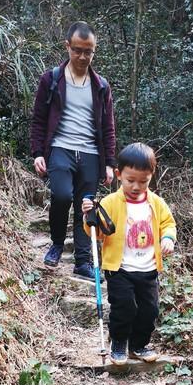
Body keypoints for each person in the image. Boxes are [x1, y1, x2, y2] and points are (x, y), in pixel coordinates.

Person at [30, 21, 116, 281]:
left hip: (91, 153)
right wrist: (37, 153)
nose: (82, 56)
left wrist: (110, 163)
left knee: (86, 206)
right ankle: (56, 244)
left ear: (94, 50)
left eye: (88, 51)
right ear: (67, 46)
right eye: (77, 50)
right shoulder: (52, 79)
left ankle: (82, 261)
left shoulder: (101, 86)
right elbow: (39, 119)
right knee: (62, 194)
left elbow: (108, 126)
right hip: (60, 148)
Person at [82, 143, 176, 365]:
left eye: (143, 181)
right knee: (124, 307)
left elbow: (168, 224)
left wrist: (168, 238)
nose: (136, 186)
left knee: (149, 310)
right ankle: (118, 343)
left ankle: (138, 345)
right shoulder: (110, 202)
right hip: (120, 268)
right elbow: (96, 233)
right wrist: (89, 217)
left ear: (151, 176)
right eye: (130, 180)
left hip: (148, 268)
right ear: (118, 175)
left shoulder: (156, 203)